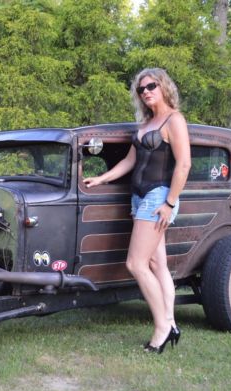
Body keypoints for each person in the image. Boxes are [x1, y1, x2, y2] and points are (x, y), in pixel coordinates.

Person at [83, 68, 191, 353]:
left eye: (151, 86)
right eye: (141, 89)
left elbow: (184, 165)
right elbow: (130, 161)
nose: (146, 92)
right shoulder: (146, 123)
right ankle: (171, 322)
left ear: (164, 86)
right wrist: (102, 178)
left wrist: (170, 203)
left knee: (136, 264)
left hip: (158, 197)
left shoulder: (174, 120)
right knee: (157, 264)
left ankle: (162, 327)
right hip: (139, 197)